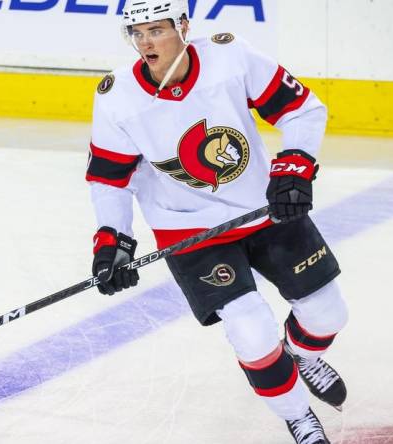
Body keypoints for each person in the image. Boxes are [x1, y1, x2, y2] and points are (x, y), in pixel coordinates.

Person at [85, 0, 348, 442]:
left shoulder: (230, 56)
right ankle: (298, 415)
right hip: (189, 229)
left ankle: (300, 353)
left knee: (328, 314)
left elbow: (303, 109)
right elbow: (109, 178)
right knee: (251, 332)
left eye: (156, 30)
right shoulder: (117, 99)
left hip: (264, 208)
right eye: (137, 33)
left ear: (184, 27)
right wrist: (113, 242)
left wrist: (295, 167)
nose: (146, 43)